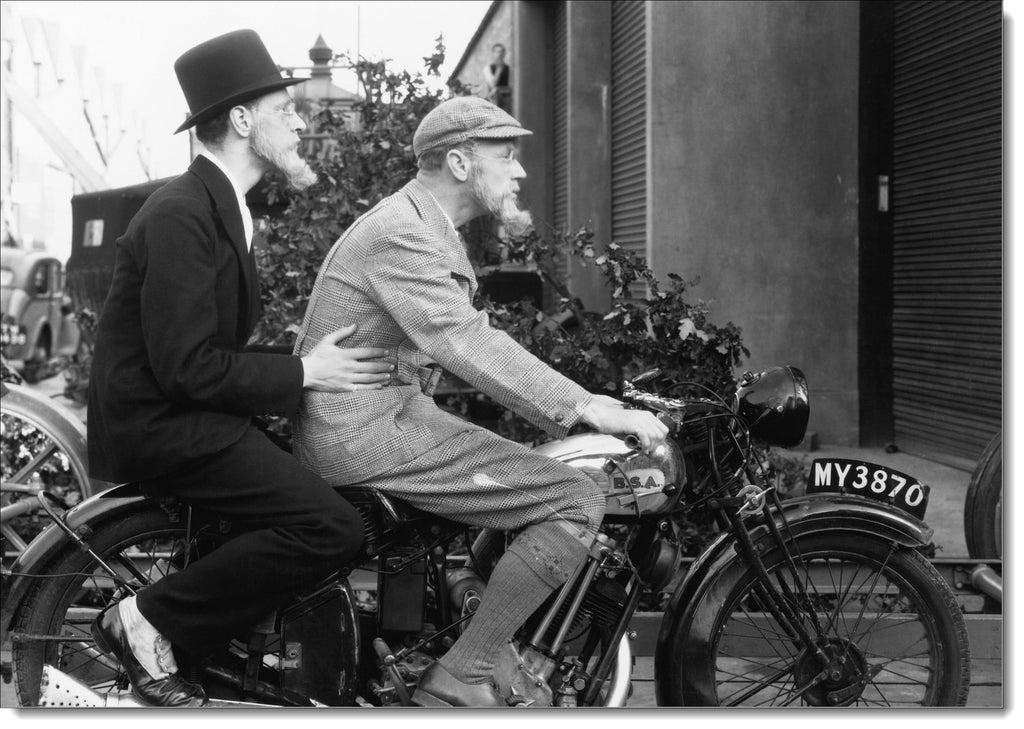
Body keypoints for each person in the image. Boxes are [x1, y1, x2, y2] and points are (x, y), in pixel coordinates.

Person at [291, 96, 668, 707]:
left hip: (387, 417)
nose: (520, 170)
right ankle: (465, 673)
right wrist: (587, 407)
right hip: (363, 434)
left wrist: (583, 401)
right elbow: (464, 339)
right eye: (506, 155)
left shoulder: (421, 223)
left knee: (530, 472)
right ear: (461, 163)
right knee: (574, 496)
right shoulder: (400, 233)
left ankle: (472, 613)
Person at [86, 29, 393, 707]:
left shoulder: (219, 207)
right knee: (331, 527)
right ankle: (147, 619)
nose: (300, 121)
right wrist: (304, 374)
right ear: (243, 120)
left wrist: (308, 364)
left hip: (187, 414)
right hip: (164, 426)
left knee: (337, 494)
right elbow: (188, 368)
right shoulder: (181, 214)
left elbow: (202, 354)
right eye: (285, 109)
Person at [482, 43, 511, 111]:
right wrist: (499, 68)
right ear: (493, 54)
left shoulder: (509, 69)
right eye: (497, 52)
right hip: (494, 103)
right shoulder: (487, 69)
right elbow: (492, 84)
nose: (499, 54)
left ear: (504, 54)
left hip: (507, 103)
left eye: (501, 51)